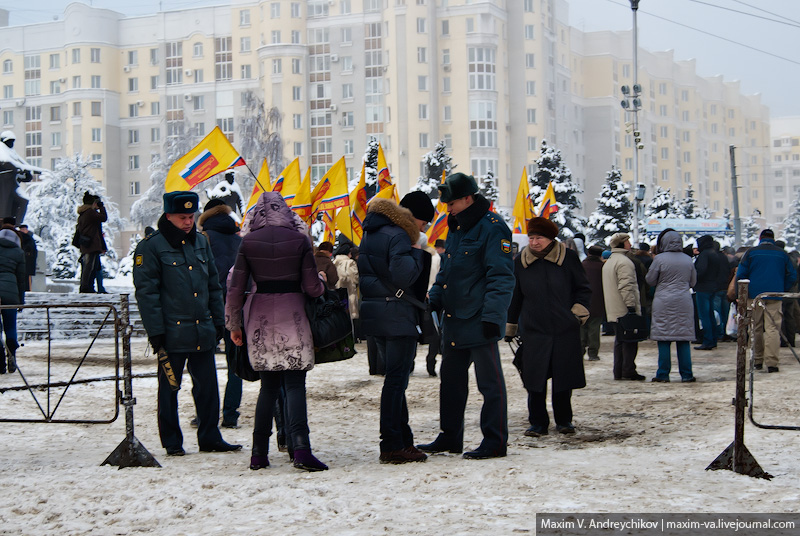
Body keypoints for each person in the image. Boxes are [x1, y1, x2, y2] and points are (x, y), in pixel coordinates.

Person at [133, 191, 241, 457]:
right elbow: (147, 294)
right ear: (168, 216)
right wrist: (156, 332)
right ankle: (171, 440)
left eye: (191, 216)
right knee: (170, 389)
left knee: (208, 389)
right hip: (171, 332)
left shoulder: (201, 243)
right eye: (182, 217)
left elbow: (213, 286)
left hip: (201, 329)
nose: (188, 222)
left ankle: (210, 437)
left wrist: (218, 321)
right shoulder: (151, 246)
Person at [225, 192, 328, 472]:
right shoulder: (299, 241)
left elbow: (236, 288)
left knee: (268, 387)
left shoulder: (248, 242)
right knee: (294, 385)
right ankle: (301, 449)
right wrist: (320, 279)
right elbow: (312, 289)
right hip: (293, 314)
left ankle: (259, 453)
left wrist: (234, 325)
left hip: (259, 318)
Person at [418, 173, 515, 460]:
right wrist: (433, 298)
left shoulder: (493, 228)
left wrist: (493, 318)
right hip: (454, 318)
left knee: (490, 383)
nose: (447, 208)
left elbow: (501, 278)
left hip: (480, 318)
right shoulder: (457, 228)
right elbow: (447, 272)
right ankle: (450, 437)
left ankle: (495, 441)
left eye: (451, 202)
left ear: (467, 198)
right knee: (451, 381)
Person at [358, 191, 431, 464]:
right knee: (396, 382)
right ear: (414, 218)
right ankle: (391, 444)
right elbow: (403, 274)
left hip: (376, 312)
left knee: (394, 379)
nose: (424, 229)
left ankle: (403, 440)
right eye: (424, 223)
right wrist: (418, 252)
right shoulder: (400, 235)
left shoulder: (372, 230)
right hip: (396, 314)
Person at [505, 217, 591, 436]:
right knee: (534, 380)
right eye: (531, 238)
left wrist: (577, 314)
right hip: (534, 331)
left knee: (563, 379)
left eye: (539, 238)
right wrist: (510, 326)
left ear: (551, 238)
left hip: (565, 330)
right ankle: (537, 422)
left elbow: (583, 289)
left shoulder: (568, 259)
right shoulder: (520, 262)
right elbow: (515, 297)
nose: (534, 242)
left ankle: (564, 420)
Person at [198, 198, 243, 429]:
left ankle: (206, 414)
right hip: (237, 307)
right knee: (235, 364)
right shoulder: (239, 240)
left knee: (203, 365)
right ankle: (230, 414)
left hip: (208, 308)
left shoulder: (202, 239)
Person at [735, 229, 797, 373]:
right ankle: (772, 363)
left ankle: (757, 360)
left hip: (754, 296)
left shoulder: (751, 253)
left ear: (760, 238)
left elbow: (741, 274)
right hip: (775, 295)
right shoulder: (782, 254)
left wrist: (743, 293)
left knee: (755, 327)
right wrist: (782, 288)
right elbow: (792, 275)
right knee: (773, 328)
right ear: (773, 239)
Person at [647, 229, 697, 383]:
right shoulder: (688, 259)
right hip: (683, 300)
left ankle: (663, 373)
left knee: (664, 337)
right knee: (683, 338)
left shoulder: (659, 259)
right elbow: (693, 282)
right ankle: (687, 374)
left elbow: (650, 279)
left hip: (663, 300)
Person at [602, 232, 645, 381]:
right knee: (630, 341)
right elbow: (626, 286)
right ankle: (628, 370)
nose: (630, 244)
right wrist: (631, 306)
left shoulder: (610, 261)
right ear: (622, 244)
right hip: (623, 309)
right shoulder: (625, 262)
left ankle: (618, 370)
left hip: (613, 308)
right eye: (628, 242)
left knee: (620, 341)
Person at [0, 228, 25, 374]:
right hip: (11, 293)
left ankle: (0, 362)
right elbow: (21, 279)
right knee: (10, 328)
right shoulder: (18, 252)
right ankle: (12, 357)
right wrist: (20, 301)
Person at [74, 192, 107, 293]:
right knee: (89, 267)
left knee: (90, 266)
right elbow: (103, 218)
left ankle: (87, 287)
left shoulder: (83, 213)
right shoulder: (90, 212)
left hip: (86, 243)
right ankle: (86, 287)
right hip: (91, 244)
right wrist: (101, 207)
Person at [693, 235, 720, 350]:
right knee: (710, 315)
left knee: (704, 316)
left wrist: (694, 277)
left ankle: (707, 340)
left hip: (703, 288)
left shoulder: (704, 255)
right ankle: (713, 339)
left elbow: (700, 270)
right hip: (712, 286)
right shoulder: (714, 253)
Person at [581, 244, 606, 361]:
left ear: (588, 253)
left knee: (582, 326)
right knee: (594, 328)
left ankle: (580, 350)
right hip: (598, 301)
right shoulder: (602, 267)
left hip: (582, 301)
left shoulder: (582, 265)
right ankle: (593, 353)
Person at [333, 243, 360, 341]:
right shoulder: (350, 262)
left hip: (337, 291)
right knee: (351, 314)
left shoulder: (334, 261)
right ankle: (353, 336)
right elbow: (355, 278)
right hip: (349, 290)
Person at [17, 224, 36, 291]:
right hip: (25, 259)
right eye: (22, 229)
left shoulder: (29, 238)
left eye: (24, 229)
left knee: (27, 276)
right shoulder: (28, 238)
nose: (23, 231)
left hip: (27, 260)